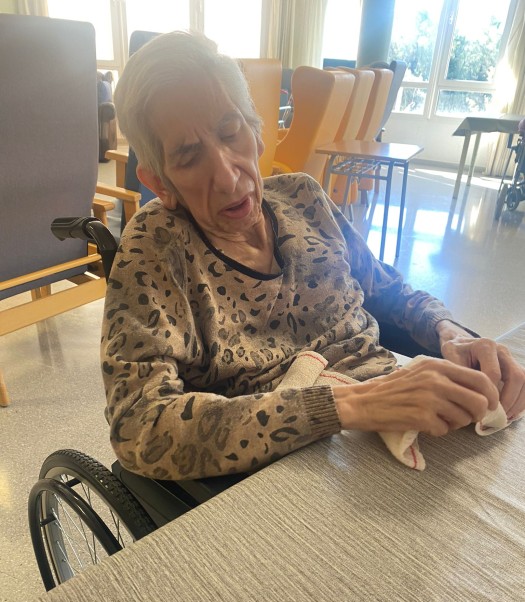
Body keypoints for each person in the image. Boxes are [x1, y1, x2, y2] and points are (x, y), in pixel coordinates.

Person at [101, 31, 525, 481]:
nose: (227, 177)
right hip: (283, 472)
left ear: (257, 132)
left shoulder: (303, 196)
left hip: (397, 418)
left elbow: (387, 289)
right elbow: (139, 425)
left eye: (230, 133)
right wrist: (352, 405)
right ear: (160, 182)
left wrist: (449, 332)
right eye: (189, 158)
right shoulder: (156, 246)